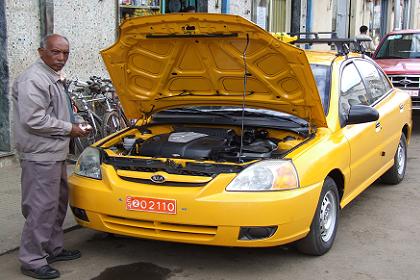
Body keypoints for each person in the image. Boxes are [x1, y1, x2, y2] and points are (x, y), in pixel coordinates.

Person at [12, 34, 90, 279]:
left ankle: (52, 248)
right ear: (41, 51)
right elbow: (34, 119)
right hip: (39, 154)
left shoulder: (53, 77)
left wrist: (77, 122)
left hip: (54, 152)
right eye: (56, 52)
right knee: (40, 207)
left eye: (65, 53)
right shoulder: (34, 79)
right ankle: (32, 260)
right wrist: (70, 129)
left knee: (56, 204)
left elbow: (58, 110)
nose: (61, 58)